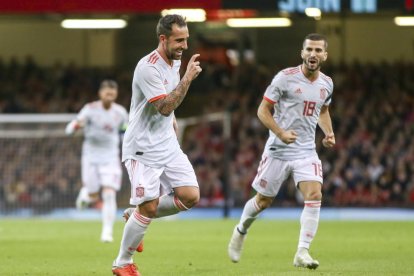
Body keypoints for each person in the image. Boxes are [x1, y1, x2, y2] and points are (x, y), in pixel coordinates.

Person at [228, 33, 335, 270]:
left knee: (314, 195)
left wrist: (328, 133)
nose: (313, 54)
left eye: (318, 50)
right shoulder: (284, 79)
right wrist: (280, 133)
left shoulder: (327, 84)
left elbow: (323, 110)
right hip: (278, 149)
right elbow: (262, 111)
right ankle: (240, 230)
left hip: (306, 151)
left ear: (325, 55)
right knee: (263, 201)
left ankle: (302, 251)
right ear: (302, 53)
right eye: (309, 50)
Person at [111, 14, 202, 276]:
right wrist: (187, 80)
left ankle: (133, 215)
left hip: (167, 143)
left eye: (186, 40)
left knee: (190, 196)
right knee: (149, 207)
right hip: (143, 147)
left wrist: (172, 119)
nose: (184, 46)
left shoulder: (176, 60)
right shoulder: (147, 67)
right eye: (178, 40)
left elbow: (168, 106)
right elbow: (163, 106)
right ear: (163, 39)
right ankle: (122, 262)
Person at [65, 80, 128, 243]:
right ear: (100, 94)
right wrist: (75, 126)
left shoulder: (120, 113)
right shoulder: (90, 109)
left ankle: (107, 232)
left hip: (110, 158)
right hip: (91, 158)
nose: (109, 95)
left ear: (116, 94)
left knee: (108, 194)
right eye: (107, 92)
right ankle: (86, 195)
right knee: (93, 195)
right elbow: (69, 129)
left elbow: (124, 132)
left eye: (112, 93)